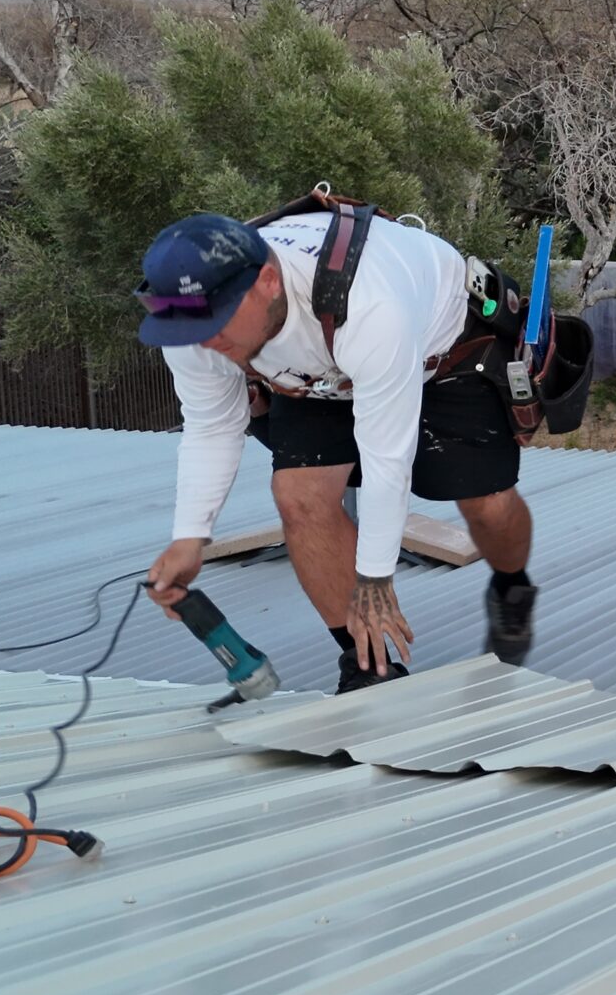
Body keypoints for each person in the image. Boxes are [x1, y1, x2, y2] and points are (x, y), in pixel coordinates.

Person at [134, 211, 538, 693]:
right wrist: (189, 538)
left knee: (488, 506)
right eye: (188, 329)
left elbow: (388, 458)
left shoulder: (371, 305)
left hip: (441, 350)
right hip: (316, 368)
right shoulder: (192, 327)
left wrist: (375, 576)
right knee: (300, 495)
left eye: (217, 322)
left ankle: (512, 587)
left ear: (267, 282)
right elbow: (213, 426)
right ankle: (367, 666)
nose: (204, 341)